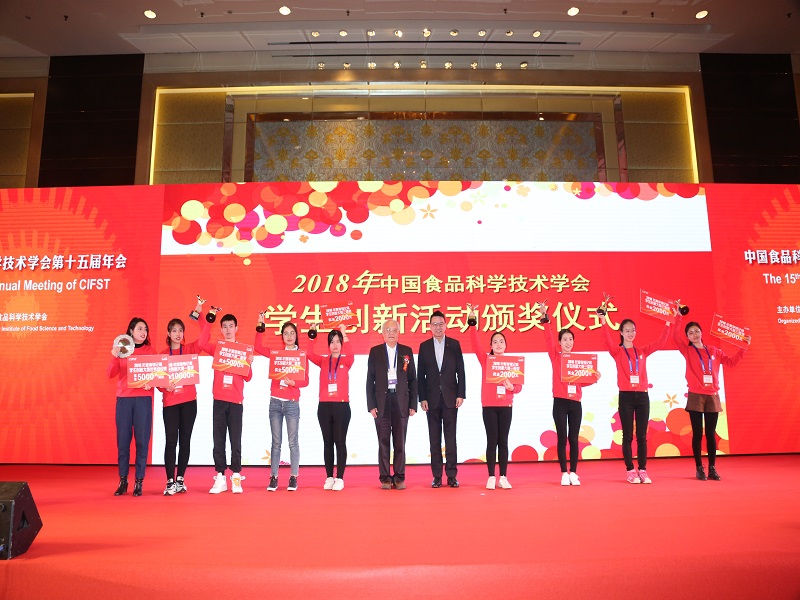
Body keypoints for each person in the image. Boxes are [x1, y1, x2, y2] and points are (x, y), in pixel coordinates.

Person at [673, 318, 749, 481]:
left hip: (712, 396)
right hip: (695, 395)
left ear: (702, 333)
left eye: (697, 331)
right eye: (690, 333)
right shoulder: (688, 350)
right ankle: (699, 468)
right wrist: (678, 317)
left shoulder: (714, 351)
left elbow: (731, 362)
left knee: (710, 433)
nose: (694, 334)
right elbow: (675, 336)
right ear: (687, 336)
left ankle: (712, 468)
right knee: (697, 433)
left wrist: (743, 346)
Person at [601, 311, 671, 484]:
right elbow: (607, 341)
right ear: (621, 333)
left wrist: (668, 323)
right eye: (627, 330)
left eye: (633, 330)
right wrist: (602, 320)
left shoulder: (642, 351)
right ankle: (630, 470)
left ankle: (643, 470)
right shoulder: (617, 351)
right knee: (627, 436)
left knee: (641, 436)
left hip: (642, 397)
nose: (630, 333)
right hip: (626, 397)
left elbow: (661, 342)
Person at [156, 300, 211, 496]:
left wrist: (200, 315)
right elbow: (157, 381)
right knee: (171, 441)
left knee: (185, 441)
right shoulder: (163, 355)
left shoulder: (190, 350)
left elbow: (205, 337)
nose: (178, 334)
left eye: (181, 330)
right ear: (168, 333)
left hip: (189, 403)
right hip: (170, 403)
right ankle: (169, 481)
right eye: (174, 330)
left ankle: (180, 479)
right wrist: (164, 386)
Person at [198, 313, 253, 494]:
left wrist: (248, 363)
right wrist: (209, 323)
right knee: (219, 440)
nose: (228, 330)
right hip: (219, 400)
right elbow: (201, 344)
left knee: (235, 440)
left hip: (236, 401)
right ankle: (220, 476)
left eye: (231, 326)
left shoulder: (243, 351)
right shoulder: (218, 348)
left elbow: (248, 377)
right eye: (225, 326)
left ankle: (236, 476)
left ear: (236, 328)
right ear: (221, 330)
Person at [543, 316, 599, 486]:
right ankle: (563, 473)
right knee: (562, 438)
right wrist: (545, 320)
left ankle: (573, 472)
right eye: (565, 339)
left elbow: (582, 382)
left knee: (574, 439)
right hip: (560, 402)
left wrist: (594, 378)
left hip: (575, 403)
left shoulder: (578, 361)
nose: (568, 342)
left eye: (570, 339)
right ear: (559, 342)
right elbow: (548, 338)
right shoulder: (556, 357)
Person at [255, 320, 309, 492]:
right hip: (275, 403)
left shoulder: (301, 355)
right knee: (276, 442)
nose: (289, 336)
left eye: (292, 333)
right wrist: (260, 326)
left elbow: (306, 380)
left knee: (293, 442)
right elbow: (257, 347)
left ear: (296, 336)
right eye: (286, 333)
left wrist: (294, 383)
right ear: (282, 336)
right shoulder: (276, 354)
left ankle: (293, 477)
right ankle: (274, 477)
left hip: (292, 403)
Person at [469, 321, 521, 490]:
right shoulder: (486, 360)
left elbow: (518, 386)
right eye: (495, 342)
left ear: (506, 345)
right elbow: (475, 344)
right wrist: (472, 323)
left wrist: (511, 387)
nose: (498, 344)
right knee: (492, 441)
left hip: (506, 406)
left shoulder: (512, 364)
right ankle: (491, 476)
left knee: (503, 441)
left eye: (501, 342)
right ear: (490, 345)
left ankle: (503, 477)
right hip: (489, 406)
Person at [366, 319, 417, 489]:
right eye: (388, 330)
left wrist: (413, 404)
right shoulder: (375, 352)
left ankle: (400, 477)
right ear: (382, 333)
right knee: (383, 441)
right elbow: (370, 380)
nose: (391, 333)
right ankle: (385, 478)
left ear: (398, 332)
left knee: (400, 442)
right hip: (381, 402)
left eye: (394, 330)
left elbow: (413, 379)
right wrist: (371, 405)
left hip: (401, 401)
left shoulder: (406, 352)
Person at [417, 310, 466, 488]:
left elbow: (461, 371)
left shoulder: (454, 344)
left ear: (446, 325)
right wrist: (422, 398)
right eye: (434, 324)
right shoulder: (424, 346)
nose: (438, 327)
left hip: (451, 398)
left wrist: (461, 394)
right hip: (431, 400)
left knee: (451, 438)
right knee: (434, 439)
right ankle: (437, 476)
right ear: (430, 327)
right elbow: (420, 375)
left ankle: (452, 475)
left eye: (441, 324)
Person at [108, 317, 154, 497]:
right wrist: (114, 355)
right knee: (123, 442)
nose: (143, 332)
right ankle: (123, 480)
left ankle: (139, 481)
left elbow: (158, 375)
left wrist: (152, 383)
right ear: (131, 331)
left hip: (143, 399)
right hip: (124, 400)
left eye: (146, 329)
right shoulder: (122, 349)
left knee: (142, 442)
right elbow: (110, 374)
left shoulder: (151, 351)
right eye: (140, 329)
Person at [307, 326, 355, 491]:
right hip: (324, 406)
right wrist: (312, 335)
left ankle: (340, 478)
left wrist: (344, 333)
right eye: (332, 342)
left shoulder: (346, 361)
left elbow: (351, 354)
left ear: (341, 344)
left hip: (341, 406)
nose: (335, 345)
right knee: (327, 442)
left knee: (340, 442)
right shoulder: (323, 361)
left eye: (338, 342)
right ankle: (329, 477)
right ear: (328, 345)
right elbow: (309, 354)